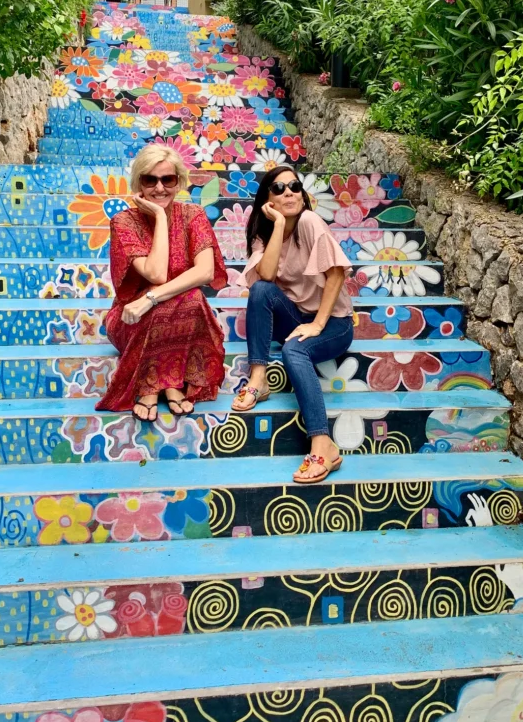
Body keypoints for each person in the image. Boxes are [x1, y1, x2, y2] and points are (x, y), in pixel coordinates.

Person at [232, 166, 354, 484]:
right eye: (279, 188)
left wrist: (318, 324)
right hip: (296, 316)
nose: (289, 192)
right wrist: (277, 225)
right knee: (261, 290)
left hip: (334, 323)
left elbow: (336, 273)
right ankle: (259, 378)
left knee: (294, 351)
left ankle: (323, 444)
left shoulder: (310, 221)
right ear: (267, 199)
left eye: (295, 186)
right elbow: (266, 275)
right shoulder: (264, 233)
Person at [96, 144, 228, 421]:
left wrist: (151, 299)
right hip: (132, 318)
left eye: (167, 179)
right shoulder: (124, 222)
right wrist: (159, 216)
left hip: (163, 311)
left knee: (193, 297)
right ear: (139, 183)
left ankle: (159, 383)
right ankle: (164, 383)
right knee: (185, 298)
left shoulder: (193, 215)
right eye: (150, 180)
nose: (159, 188)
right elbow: (156, 274)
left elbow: (205, 272)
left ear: (178, 182)